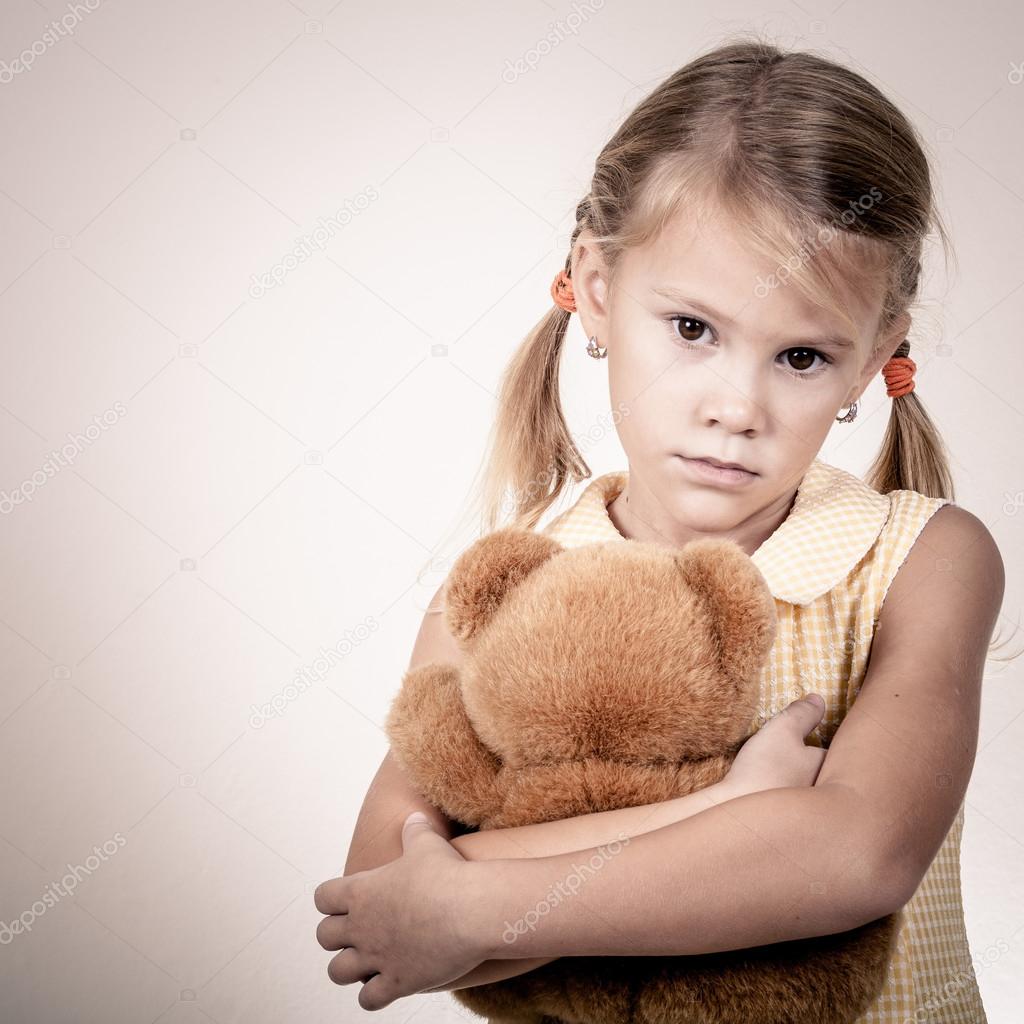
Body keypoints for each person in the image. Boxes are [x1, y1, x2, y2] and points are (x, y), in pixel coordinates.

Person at [315, 35, 1015, 1022]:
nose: (736, 405)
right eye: (692, 329)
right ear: (597, 286)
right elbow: (379, 897)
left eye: (803, 356)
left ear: (873, 359)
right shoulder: (509, 586)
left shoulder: (917, 559)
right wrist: (731, 807)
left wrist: (474, 895)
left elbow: (856, 854)